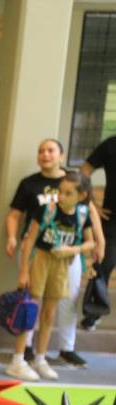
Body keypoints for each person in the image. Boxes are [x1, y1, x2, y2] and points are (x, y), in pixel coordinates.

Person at [7, 139, 105, 366]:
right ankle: (25, 351)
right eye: (40, 150)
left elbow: (90, 214)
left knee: (66, 300)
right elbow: (15, 214)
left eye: (50, 150)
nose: (45, 154)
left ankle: (64, 347)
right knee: (33, 301)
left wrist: (98, 244)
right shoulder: (30, 184)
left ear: (61, 155)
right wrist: (12, 236)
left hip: (67, 257)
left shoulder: (74, 182)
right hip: (40, 253)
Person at [81, 133, 116, 329]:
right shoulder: (111, 144)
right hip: (112, 218)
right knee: (103, 263)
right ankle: (94, 312)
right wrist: (92, 201)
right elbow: (85, 170)